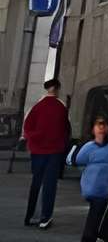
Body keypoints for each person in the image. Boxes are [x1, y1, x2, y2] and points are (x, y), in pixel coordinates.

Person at [69, 115, 108, 242]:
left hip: (107, 188)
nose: (101, 128)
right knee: (95, 216)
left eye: (104, 125)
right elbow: (78, 160)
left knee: (98, 216)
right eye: (98, 124)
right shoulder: (89, 147)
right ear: (93, 128)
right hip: (93, 187)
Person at [22, 76, 71, 228]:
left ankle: (30, 216)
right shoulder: (61, 107)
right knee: (50, 184)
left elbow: (27, 127)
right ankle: (45, 218)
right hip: (55, 151)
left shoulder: (37, 106)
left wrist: (34, 140)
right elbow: (66, 129)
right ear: (57, 89)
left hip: (37, 151)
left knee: (36, 182)